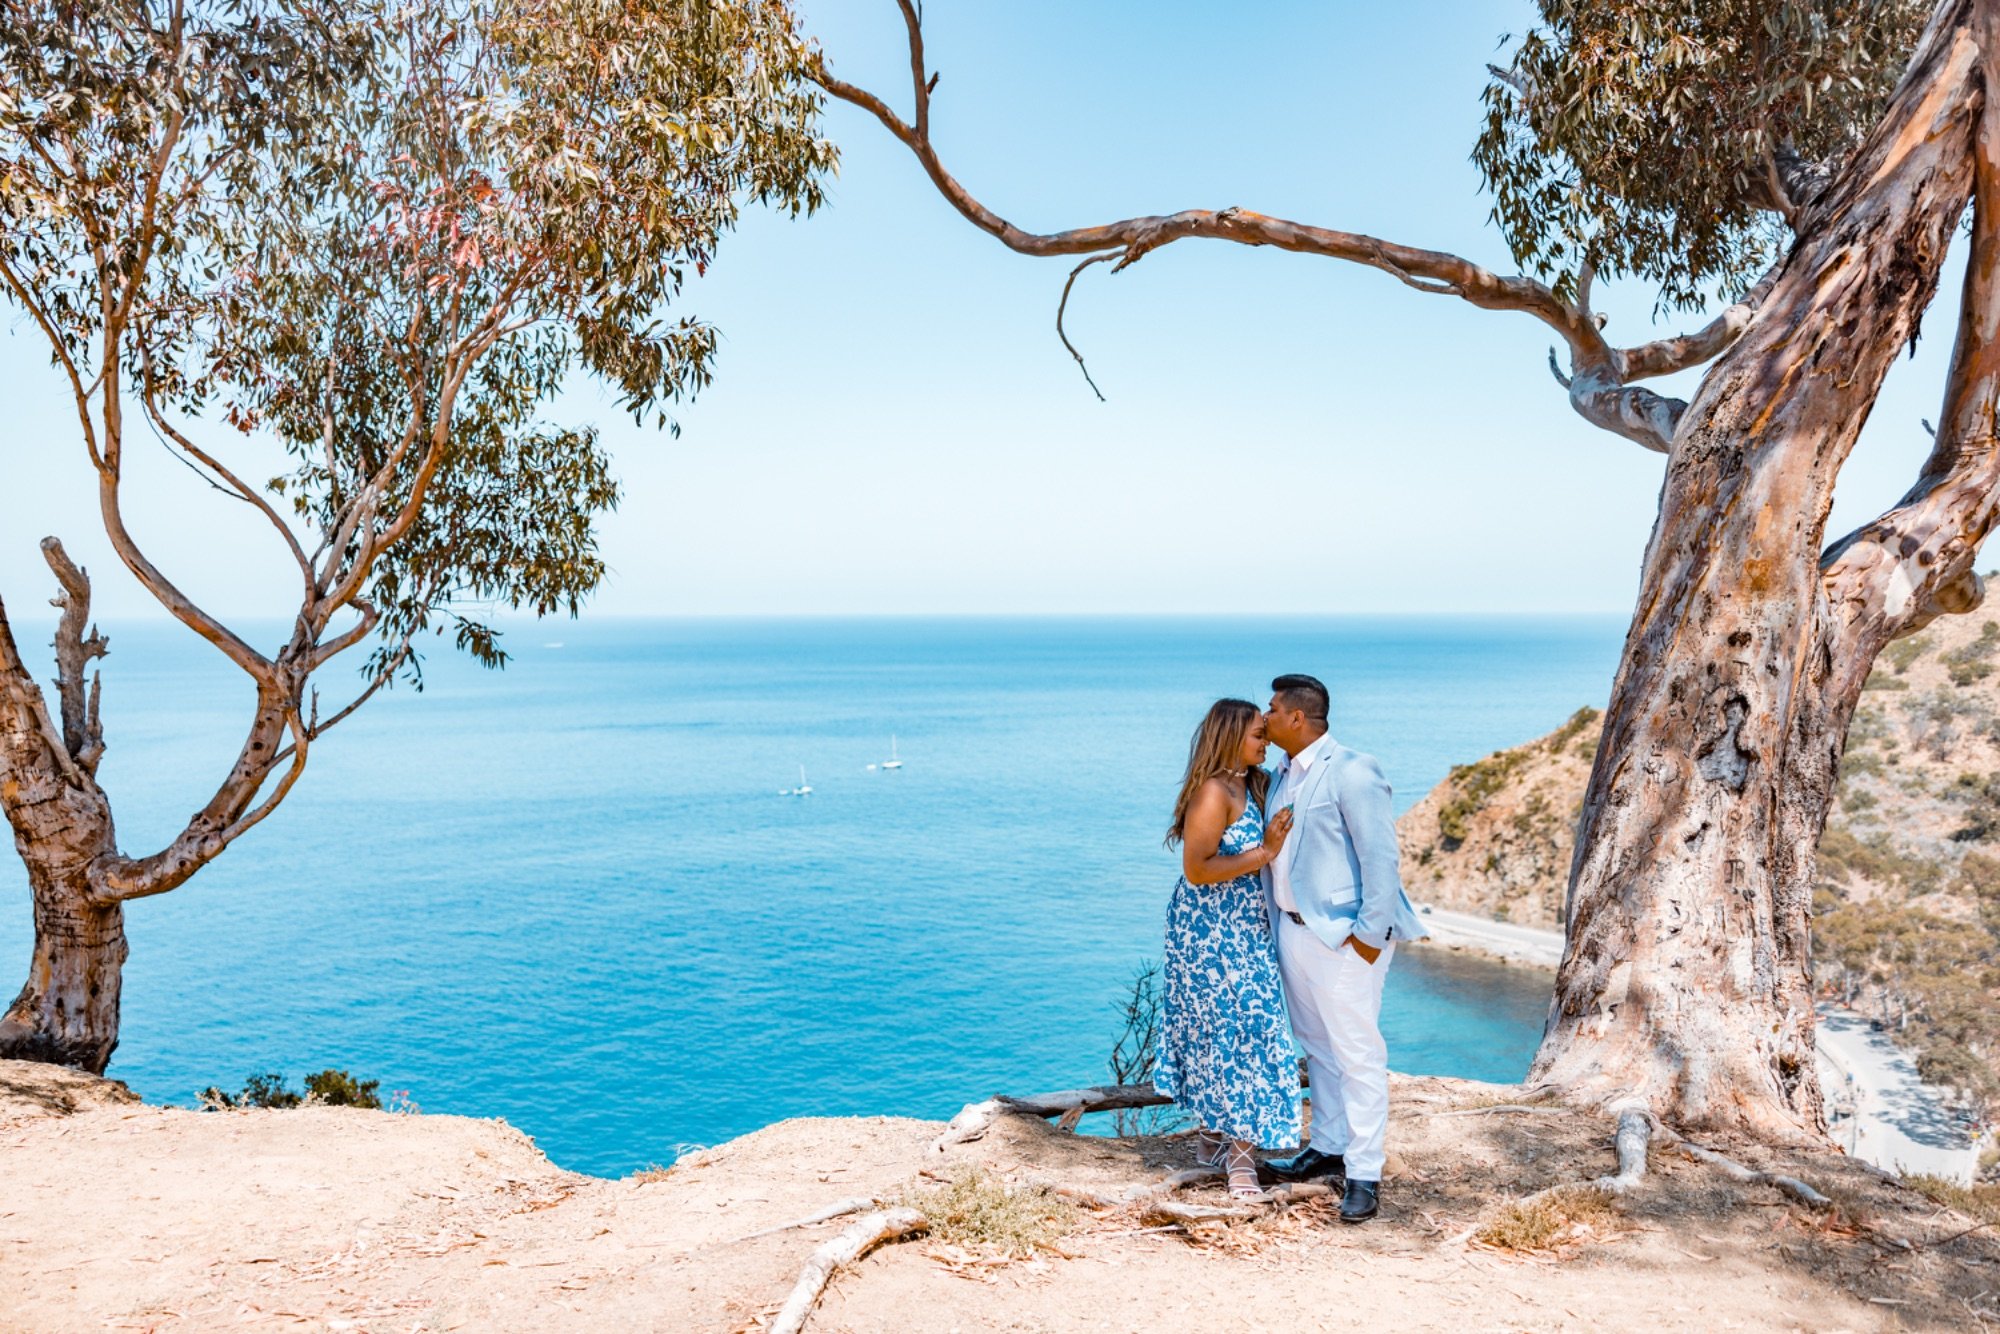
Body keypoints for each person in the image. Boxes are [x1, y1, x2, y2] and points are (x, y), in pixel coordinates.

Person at [1259, 673, 1428, 1224]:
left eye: (1272, 708)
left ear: (1296, 718)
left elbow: (1381, 858)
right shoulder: (1281, 774)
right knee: (1317, 1046)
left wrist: (1368, 939)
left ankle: (1364, 1172)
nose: (1264, 716)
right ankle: (1328, 1145)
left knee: (1357, 1055)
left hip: (1343, 938)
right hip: (1292, 930)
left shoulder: (1354, 770)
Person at [1155, 698, 1301, 1200]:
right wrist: (1265, 852)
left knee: (1234, 1030)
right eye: (1259, 734)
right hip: (1207, 930)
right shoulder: (1213, 792)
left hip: (1246, 924)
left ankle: (1213, 1138)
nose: (1267, 742)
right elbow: (1197, 870)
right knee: (1233, 1031)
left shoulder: (1256, 782)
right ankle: (1239, 1160)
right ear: (1231, 737)